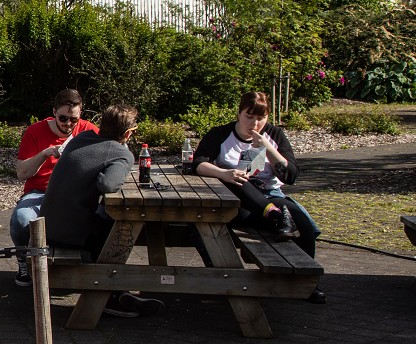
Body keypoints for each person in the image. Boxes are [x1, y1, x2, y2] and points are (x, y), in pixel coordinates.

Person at [190, 91, 324, 304]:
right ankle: (274, 216)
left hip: (270, 195)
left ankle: (307, 283)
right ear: (239, 113)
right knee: (236, 180)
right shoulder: (221, 134)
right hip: (238, 200)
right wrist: (224, 173)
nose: (255, 123)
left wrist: (268, 147)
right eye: (249, 116)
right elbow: (198, 163)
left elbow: (290, 175)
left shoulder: (275, 135)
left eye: (261, 118)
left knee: (302, 221)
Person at [41, 104, 164, 318]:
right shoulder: (119, 153)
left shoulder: (81, 138)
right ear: (127, 133)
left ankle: (115, 291)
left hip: (49, 224)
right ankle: (109, 294)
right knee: (122, 226)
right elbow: (109, 185)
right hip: (70, 234)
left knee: (106, 218)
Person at [10, 89, 98, 285]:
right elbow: (22, 173)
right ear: (54, 112)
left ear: (80, 114)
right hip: (40, 191)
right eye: (63, 118)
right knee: (22, 219)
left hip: (75, 194)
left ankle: (96, 268)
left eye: (73, 119)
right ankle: (24, 261)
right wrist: (45, 154)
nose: (68, 124)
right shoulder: (35, 131)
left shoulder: (89, 131)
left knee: (103, 218)